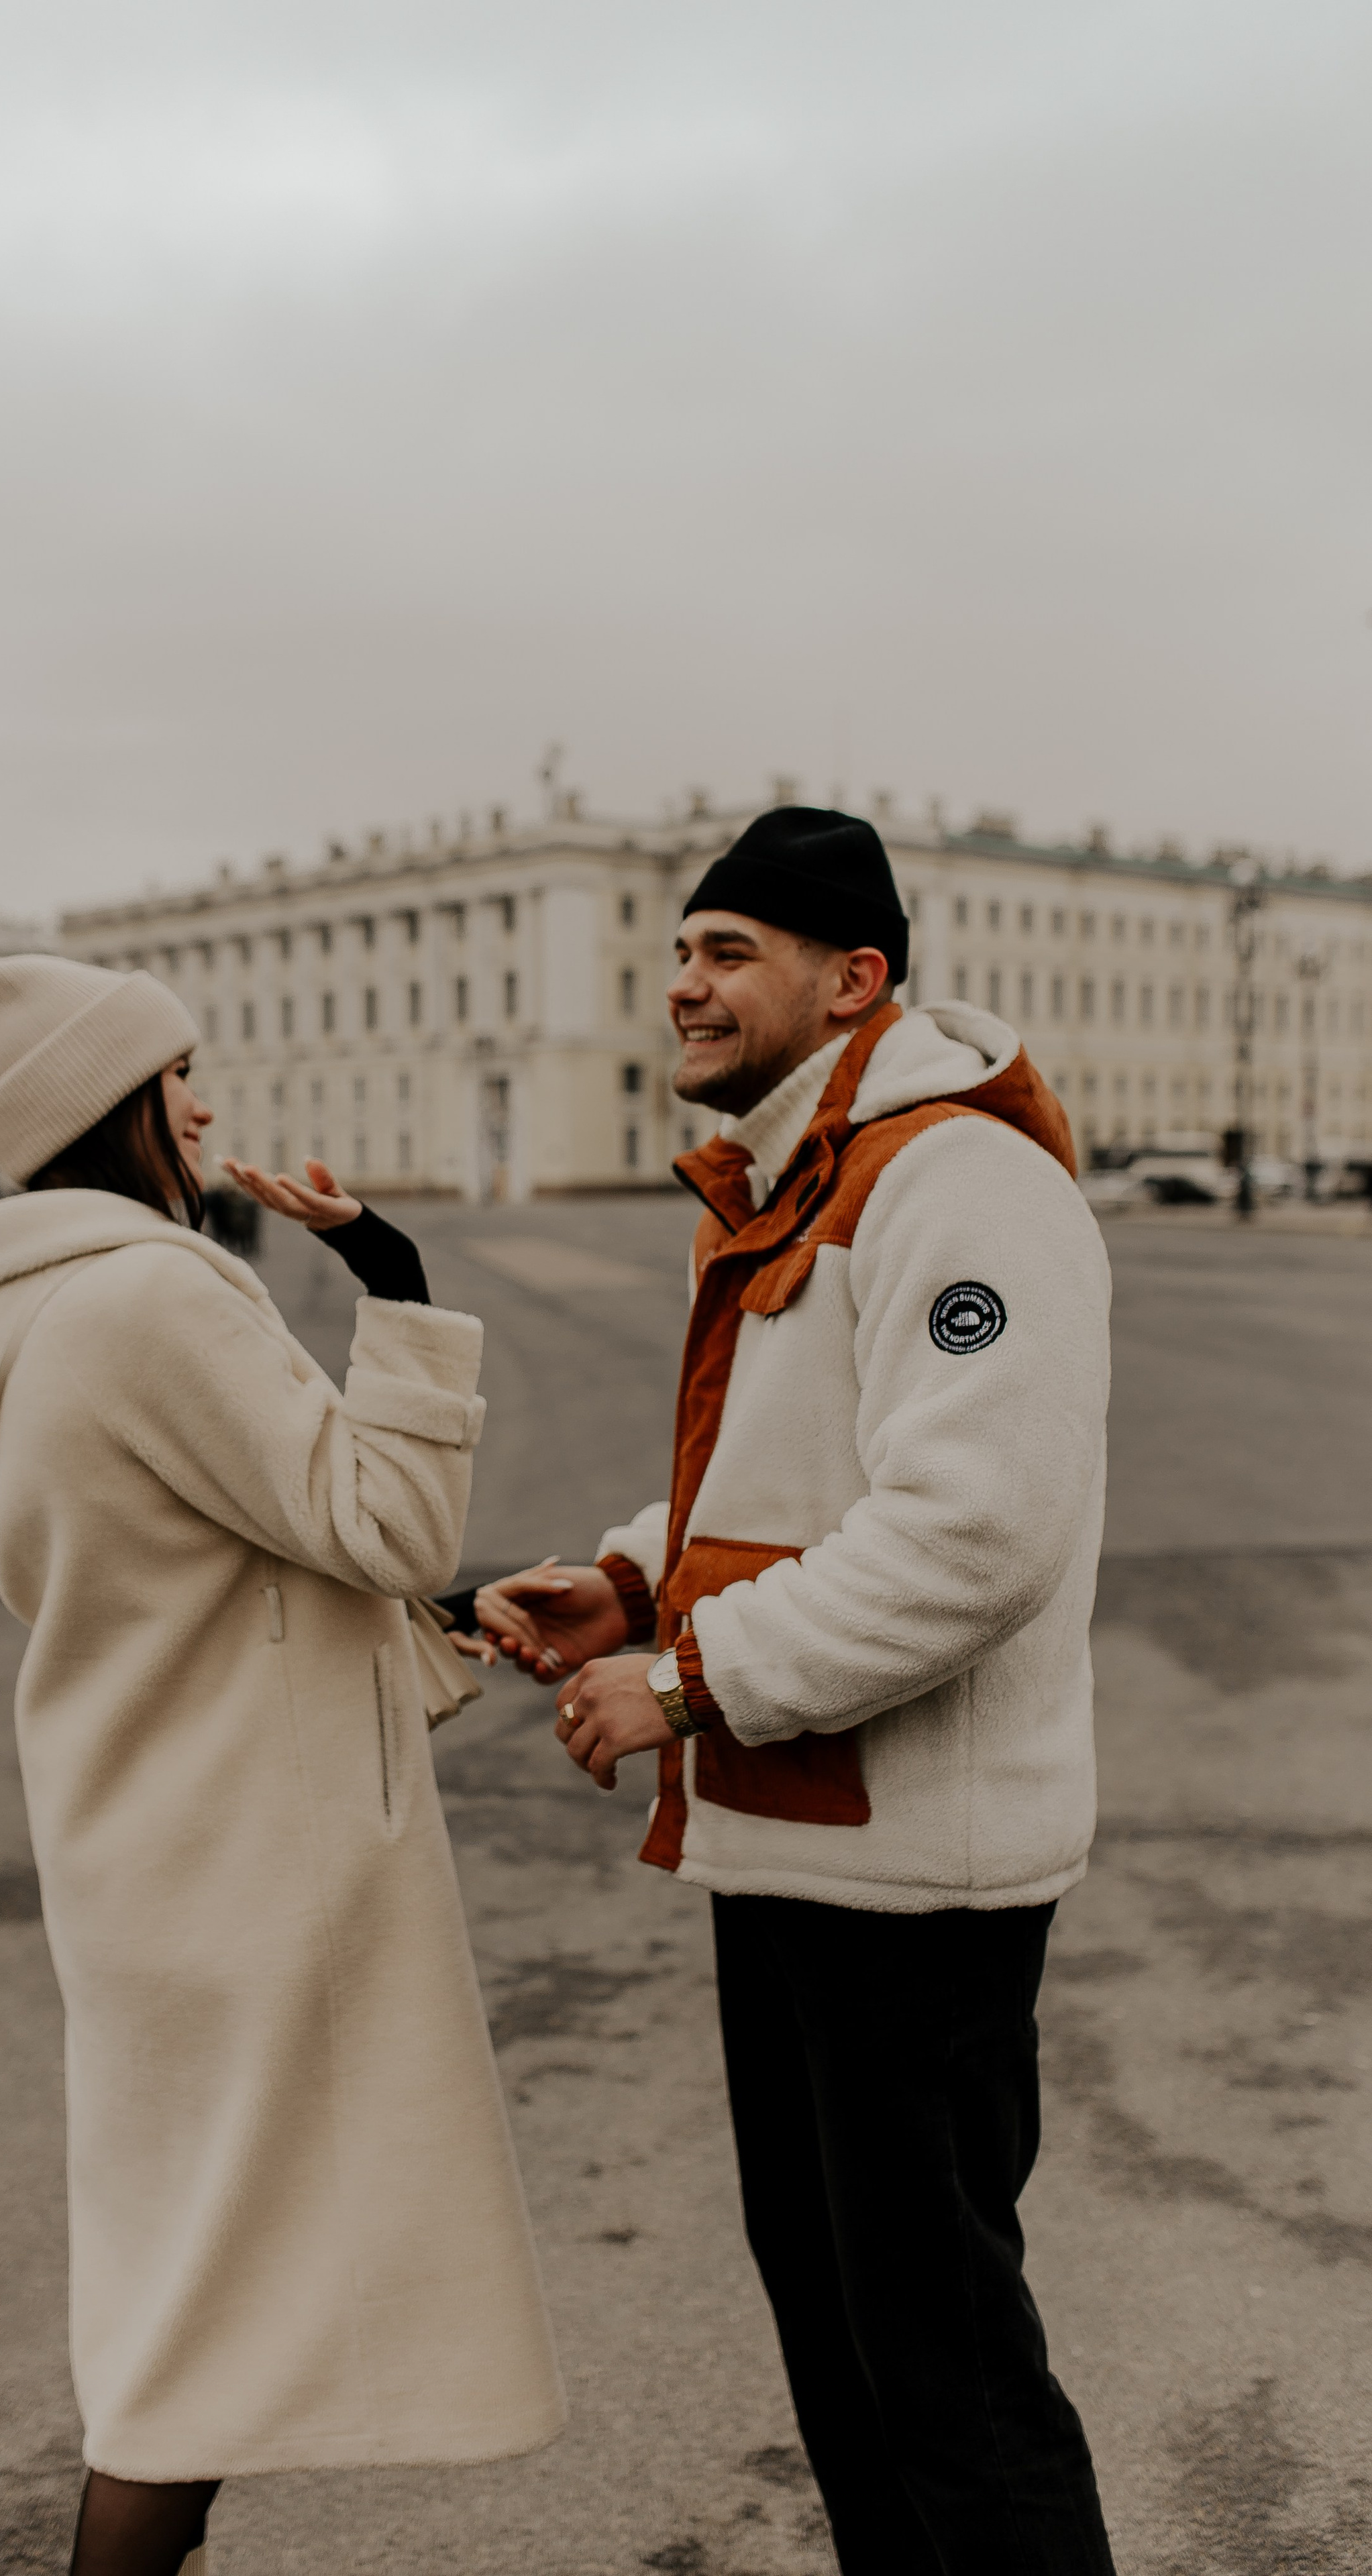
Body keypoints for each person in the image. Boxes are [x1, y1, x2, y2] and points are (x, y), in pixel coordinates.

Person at [474, 807, 1116, 2576]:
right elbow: (793, 1483)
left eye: (727, 952)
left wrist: (683, 1685)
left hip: (914, 1883)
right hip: (801, 1853)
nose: (683, 983)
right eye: (679, 951)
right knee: (848, 2354)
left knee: (949, 2378)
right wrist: (623, 1583)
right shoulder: (809, 1175)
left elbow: (977, 1532)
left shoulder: (957, 1181)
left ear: (857, 979)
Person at [0, 947, 562, 2576]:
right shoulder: (149, 1290)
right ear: (114, 1103)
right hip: (245, 1863)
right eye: (178, 1073)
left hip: (147, 1831)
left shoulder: (12, 1307)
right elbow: (381, 1515)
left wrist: (424, 1623)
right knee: (194, 2346)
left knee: (200, 2304)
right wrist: (396, 1278)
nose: (203, 1101)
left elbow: (190, 1568)